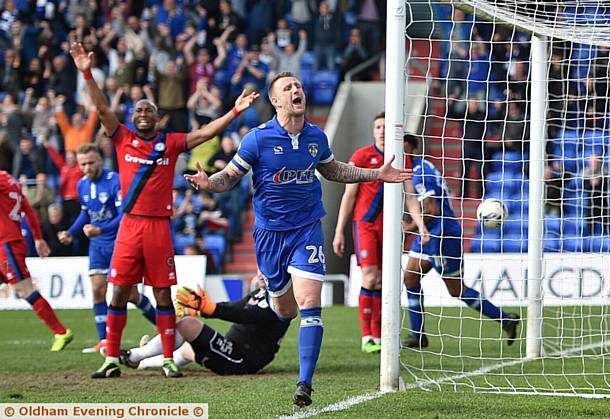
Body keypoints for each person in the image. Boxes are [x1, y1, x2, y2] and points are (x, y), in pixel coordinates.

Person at [184, 71, 413, 407]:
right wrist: (209, 183)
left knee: (309, 305)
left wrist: (374, 174)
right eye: (288, 88)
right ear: (276, 100)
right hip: (269, 236)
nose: (296, 91)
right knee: (285, 310)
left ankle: (304, 383)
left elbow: (333, 169)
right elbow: (230, 177)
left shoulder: (316, 137)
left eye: (298, 87)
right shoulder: (257, 139)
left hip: (306, 229)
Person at [69, 41, 259, 379]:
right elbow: (100, 107)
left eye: (149, 111)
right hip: (129, 228)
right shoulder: (121, 137)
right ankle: (112, 357)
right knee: (118, 293)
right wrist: (86, 71)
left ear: (159, 119)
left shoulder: (169, 143)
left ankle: (169, 359)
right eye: (139, 111)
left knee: (162, 295)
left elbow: (203, 133)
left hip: (158, 228)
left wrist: (234, 112)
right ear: (132, 117)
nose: (143, 114)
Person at [402, 136, 520, 348]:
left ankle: (505, 319)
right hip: (428, 233)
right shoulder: (421, 167)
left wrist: (409, 227)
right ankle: (417, 334)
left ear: (409, 147)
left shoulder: (420, 172)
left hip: (441, 235)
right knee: (410, 278)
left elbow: (431, 210)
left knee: (456, 290)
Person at [57, 143, 157, 353]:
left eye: (91, 163)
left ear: (100, 161)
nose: (87, 168)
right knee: (97, 290)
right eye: (83, 164)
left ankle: (164, 326)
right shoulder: (82, 184)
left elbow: (124, 215)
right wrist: (70, 232)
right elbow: (86, 213)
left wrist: (100, 230)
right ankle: (104, 341)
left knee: (130, 295)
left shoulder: (114, 181)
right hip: (97, 246)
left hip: (120, 242)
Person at [332, 112, 419, 354]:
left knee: (383, 281)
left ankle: (378, 335)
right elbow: (349, 196)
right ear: (373, 131)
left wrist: (419, 224)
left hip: (390, 229)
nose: (381, 130)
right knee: (370, 278)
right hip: (365, 225)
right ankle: (367, 335)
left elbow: (410, 197)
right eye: (377, 126)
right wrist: (339, 231)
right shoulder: (361, 156)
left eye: (384, 127)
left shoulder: (401, 159)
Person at [118, 273, 290, 375]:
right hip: (234, 349)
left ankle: (133, 355)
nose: (261, 273)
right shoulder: (259, 293)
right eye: (261, 268)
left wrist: (209, 308)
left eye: (267, 269)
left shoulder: (282, 302)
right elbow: (233, 306)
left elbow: (245, 315)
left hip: (242, 360)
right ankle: (144, 360)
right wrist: (199, 310)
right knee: (187, 347)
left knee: (188, 326)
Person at [0, 170, 74, 351]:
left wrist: (38, 238)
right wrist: (38, 238)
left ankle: (61, 332)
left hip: (7, 244)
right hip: (8, 241)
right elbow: (28, 209)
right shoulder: (8, 178)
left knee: (25, 289)